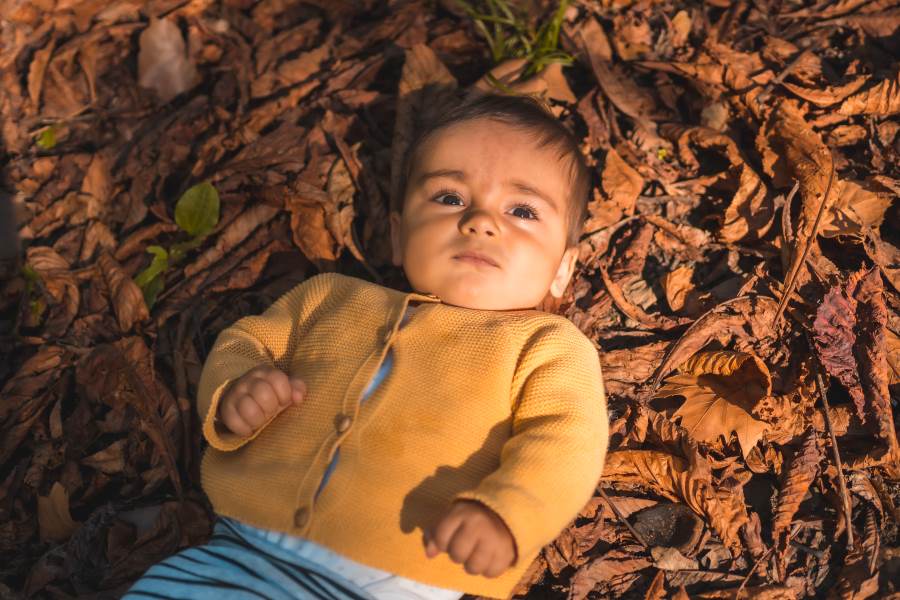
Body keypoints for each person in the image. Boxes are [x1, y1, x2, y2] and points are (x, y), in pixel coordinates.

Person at [124, 92, 608, 600]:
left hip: (395, 578)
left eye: (523, 210)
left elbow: (567, 442)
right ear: (398, 236)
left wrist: (509, 511)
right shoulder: (329, 297)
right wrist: (234, 391)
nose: (481, 221)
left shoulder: (548, 347)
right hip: (233, 554)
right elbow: (245, 342)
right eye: (450, 198)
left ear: (563, 269)